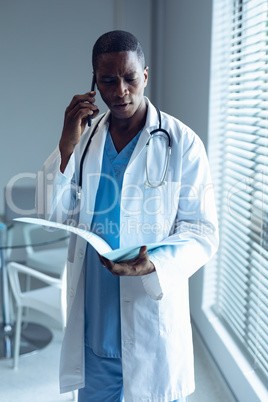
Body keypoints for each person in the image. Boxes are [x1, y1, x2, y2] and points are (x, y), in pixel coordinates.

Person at [36, 30, 219, 402]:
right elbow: (51, 213)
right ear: (93, 83)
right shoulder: (83, 142)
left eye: (130, 78)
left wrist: (154, 264)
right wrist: (66, 146)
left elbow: (201, 232)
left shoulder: (182, 143)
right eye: (107, 80)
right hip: (94, 323)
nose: (120, 91)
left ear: (146, 76)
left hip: (150, 315)